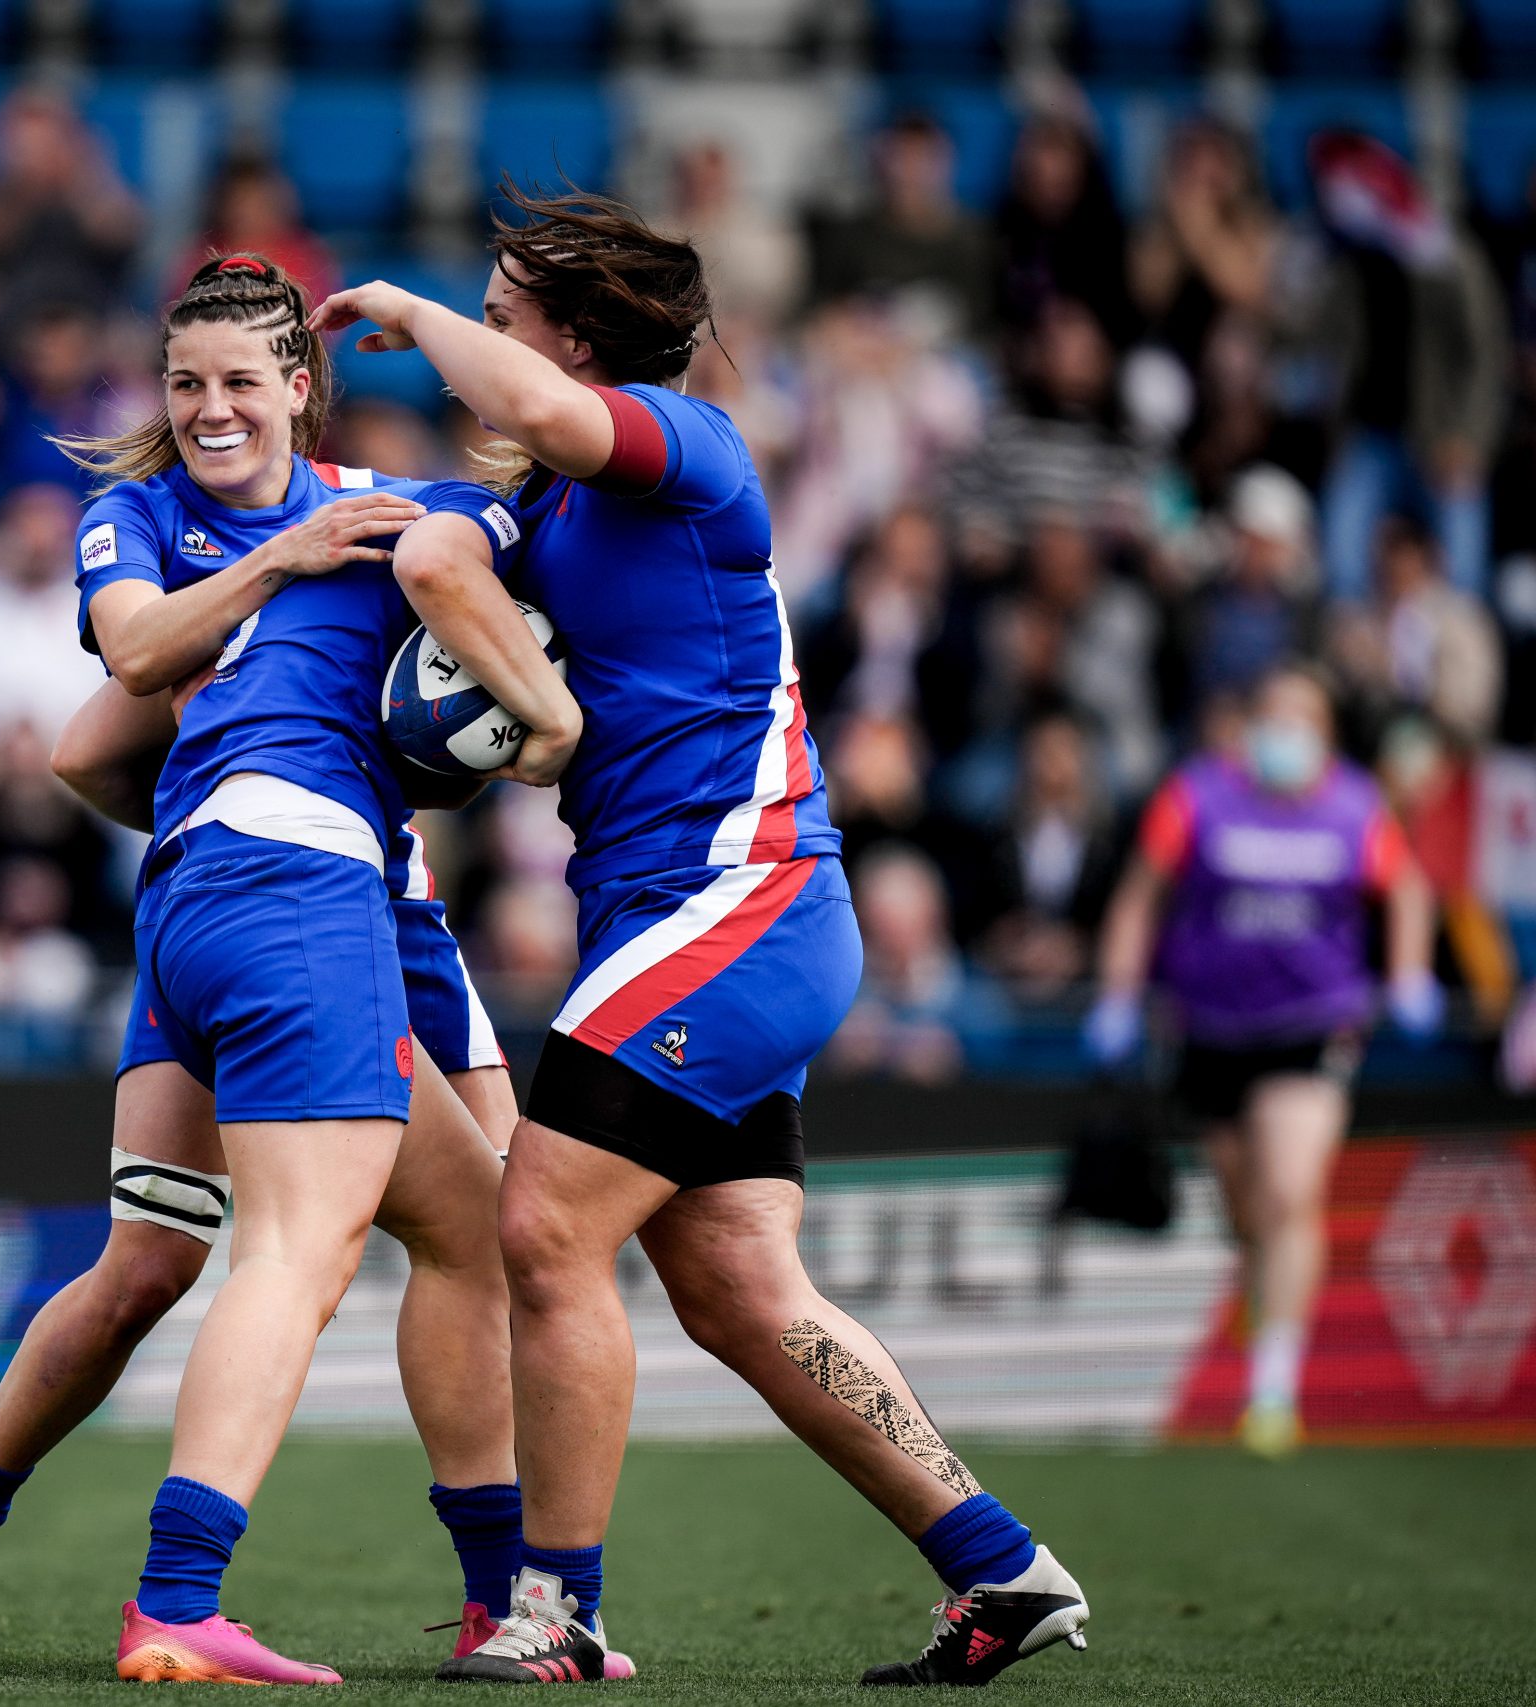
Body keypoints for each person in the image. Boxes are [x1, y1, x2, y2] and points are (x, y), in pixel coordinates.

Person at [314, 180, 1093, 1687]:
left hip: (739, 902)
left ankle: (561, 1609)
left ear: (578, 337)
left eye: (497, 314)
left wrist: (405, 318)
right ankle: (1002, 1565)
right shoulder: (545, 504)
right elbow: (424, 558)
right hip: (697, 923)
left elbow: (539, 415)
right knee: (741, 1284)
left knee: (541, 1224)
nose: (476, 335)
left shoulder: (693, 452)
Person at [0, 254, 567, 1687]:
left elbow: (84, 751)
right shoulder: (163, 519)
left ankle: (503, 1604)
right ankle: (185, 1595)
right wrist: (293, 580)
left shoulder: (391, 511)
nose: (211, 408)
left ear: (301, 388)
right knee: (291, 1251)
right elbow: (113, 685)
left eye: (241, 381)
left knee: (416, 1234)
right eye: (186, 383)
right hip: (290, 888)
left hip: (315, 898)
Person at [1088, 664, 1440, 1456]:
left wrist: (1410, 974)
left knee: (1290, 1190)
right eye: (1272, 712)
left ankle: (1273, 1389)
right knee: (1246, 1206)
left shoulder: (1356, 807)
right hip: (1209, 1028)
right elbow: (1142, 895)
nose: (1284, 729)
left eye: (1301, 716)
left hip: (1312, 1026)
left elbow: (1407, 890)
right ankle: (1264, 1288)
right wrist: (1118, 993)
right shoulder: (1198, 796)